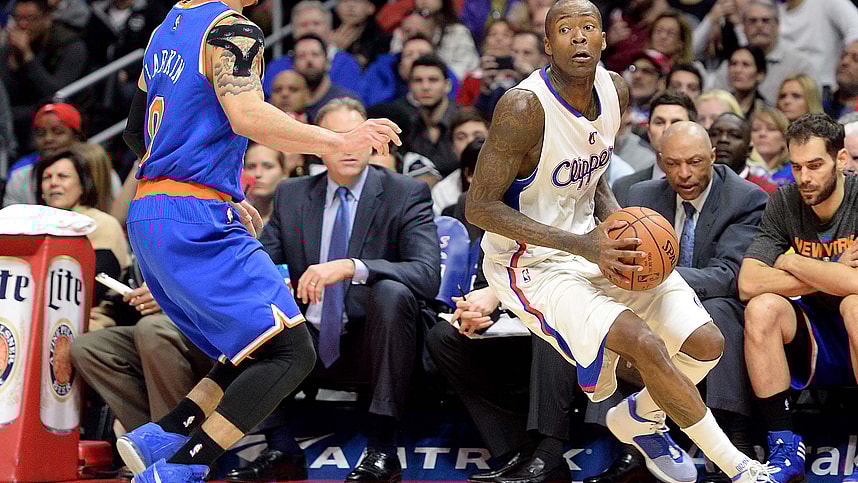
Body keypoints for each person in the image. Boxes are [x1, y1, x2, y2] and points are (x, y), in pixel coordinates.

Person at [465, 1, 773, 482]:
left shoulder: (615, 90)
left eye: (589, 27)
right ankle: (740, 468)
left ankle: (638, 419)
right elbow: (479, 208)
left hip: (592, 244)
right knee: (642, 341)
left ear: (605, 39)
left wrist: (623, 229)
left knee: (706, 343)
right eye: (565, 30)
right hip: (530, 264)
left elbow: (597, 178)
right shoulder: (523, 108)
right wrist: (584, 244)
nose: (579, 37)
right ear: (548, 45)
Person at [115, 0, 402, 478]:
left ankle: (164, 434)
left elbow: (132, 133)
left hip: (151, 212)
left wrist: (212, 187)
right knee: (291, 352)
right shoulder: (232, 30)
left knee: (256, 342)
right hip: (192, 218)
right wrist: (340, 141)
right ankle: (183, 468)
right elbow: (248, 116)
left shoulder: (167, 28)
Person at [228, 98, 439, 482]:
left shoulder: (404, 192)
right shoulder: (292, 193)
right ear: (315, 144)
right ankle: (280, 446)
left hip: (376, 338)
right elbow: (264, 265)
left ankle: (382, 448)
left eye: (358, 137)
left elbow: (426, 274)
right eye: (337, 137)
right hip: (307, 335)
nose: (349, 146)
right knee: (251, 300)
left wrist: (350, 267)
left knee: (393, 294)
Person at [591, 121, 768, 483]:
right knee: (607, 317)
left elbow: (729, 274)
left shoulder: (745, 197)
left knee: (714, 316)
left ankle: (732, 439)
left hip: (714, 300)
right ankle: (627, 448)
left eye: (695, 162)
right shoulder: (640, 195)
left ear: (714, 157)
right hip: (651, 299)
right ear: (660, 160)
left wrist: (658, 276)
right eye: (673, 164)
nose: (684, 174)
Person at [738, 113, 858, 483]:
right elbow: (748, 282)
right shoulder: (786, 201)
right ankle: (784, 445)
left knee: (855, 305)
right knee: (762, 309)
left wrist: (793, 261)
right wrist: (832, 272)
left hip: (853, 321)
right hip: (814, 333)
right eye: (797, 167)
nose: (805, 178)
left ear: (840, 160)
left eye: (816, 165)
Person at [35, 147, 131, 311]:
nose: (53, 183)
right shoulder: (32, 224)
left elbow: (93, 289)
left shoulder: (102, 223)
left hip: (96, 313)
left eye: (63, 177)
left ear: (83, 185)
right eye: (47, 177)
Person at [0, 0, 88, 146]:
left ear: (48, 18)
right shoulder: (11, 48)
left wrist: (28, 58)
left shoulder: (71, 46)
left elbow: (56, 95)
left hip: (67, 114)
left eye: (30, 19)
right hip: (20, 114)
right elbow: (5, 94)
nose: (23, 25)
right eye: (18, 18)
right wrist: (13, 63)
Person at [612, 91, 698, 207]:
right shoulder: (624, 187)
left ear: (694, 130)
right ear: (649, 131)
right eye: (659, 122)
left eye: (676, 122)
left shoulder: (705, 183)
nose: (667, 129)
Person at [3, 103, 86, 207]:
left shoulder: (96, 170)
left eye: (58, 132)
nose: (48, 139)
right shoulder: (19, 177)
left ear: (76, 137)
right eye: (41, 133)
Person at [709, 112, 777, 193]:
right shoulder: (695, 186)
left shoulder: (766, 190)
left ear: (749, 150)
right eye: (715, 134)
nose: (723, 139)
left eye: (734, 135)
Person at [243, 142, 288, 225]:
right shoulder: (232, 216)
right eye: (251, 167)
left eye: (268, 166)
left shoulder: (297, 217)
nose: (258, 174)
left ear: (284, 173)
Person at [748, 108, 794, 186]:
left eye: (771, 129)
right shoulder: (741, 173)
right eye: (756, 129)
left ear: (784, 138)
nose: (762, 134)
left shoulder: (794, 173)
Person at [727, 46, 767, 119]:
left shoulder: (767, 111)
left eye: (746, 64)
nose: (737, 70)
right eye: (734, 63)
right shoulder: (720, 104)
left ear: (760, 74)